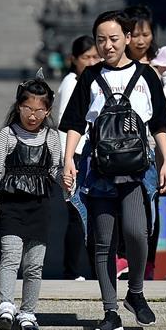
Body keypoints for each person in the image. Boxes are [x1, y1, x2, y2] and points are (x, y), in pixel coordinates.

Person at [60, 10, 166, 330]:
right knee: (103, 242)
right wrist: (68, 160)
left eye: (113, 39)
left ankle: (135, 292)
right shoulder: (89, 77)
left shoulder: (147, 76)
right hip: (98, 168)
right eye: (101, 40)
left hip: (137, 169)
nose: (107, 46)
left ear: (127, 38)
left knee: (138, 232)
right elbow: (74, 123)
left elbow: (160, 124)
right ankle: (110, 311)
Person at [0, 76, 61, 330]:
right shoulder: (8, 134)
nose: (32, 116)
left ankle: (28, 313)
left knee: (34, 265)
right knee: (10, 258)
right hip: (12, 206)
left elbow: (56, 171)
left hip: (40, 207)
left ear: (47, 111)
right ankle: (5, 306)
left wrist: (69, 181)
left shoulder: (52, 137)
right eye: (27, 109)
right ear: (18, 107)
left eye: (39, 110)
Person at [53, 36, 100, 280]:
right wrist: (67, 161)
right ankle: (72, 270)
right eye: (86, 57)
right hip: (77, 155)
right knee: (77, 213)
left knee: (90, 214)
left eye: (95, 57)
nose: (91, 62)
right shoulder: (72, 83)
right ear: (74, 59)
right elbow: (65, 125)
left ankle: (94, 269)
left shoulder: (89, 81)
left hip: (88, 153)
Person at [124, 4, 158, 279]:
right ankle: (123, 260)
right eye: (135, 35)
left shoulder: (159, 67)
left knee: (150, 203)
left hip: (150, 146)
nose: (140, 40)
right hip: (120, 148)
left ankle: (148, 264)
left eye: (145, 34)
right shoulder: (117, 68)